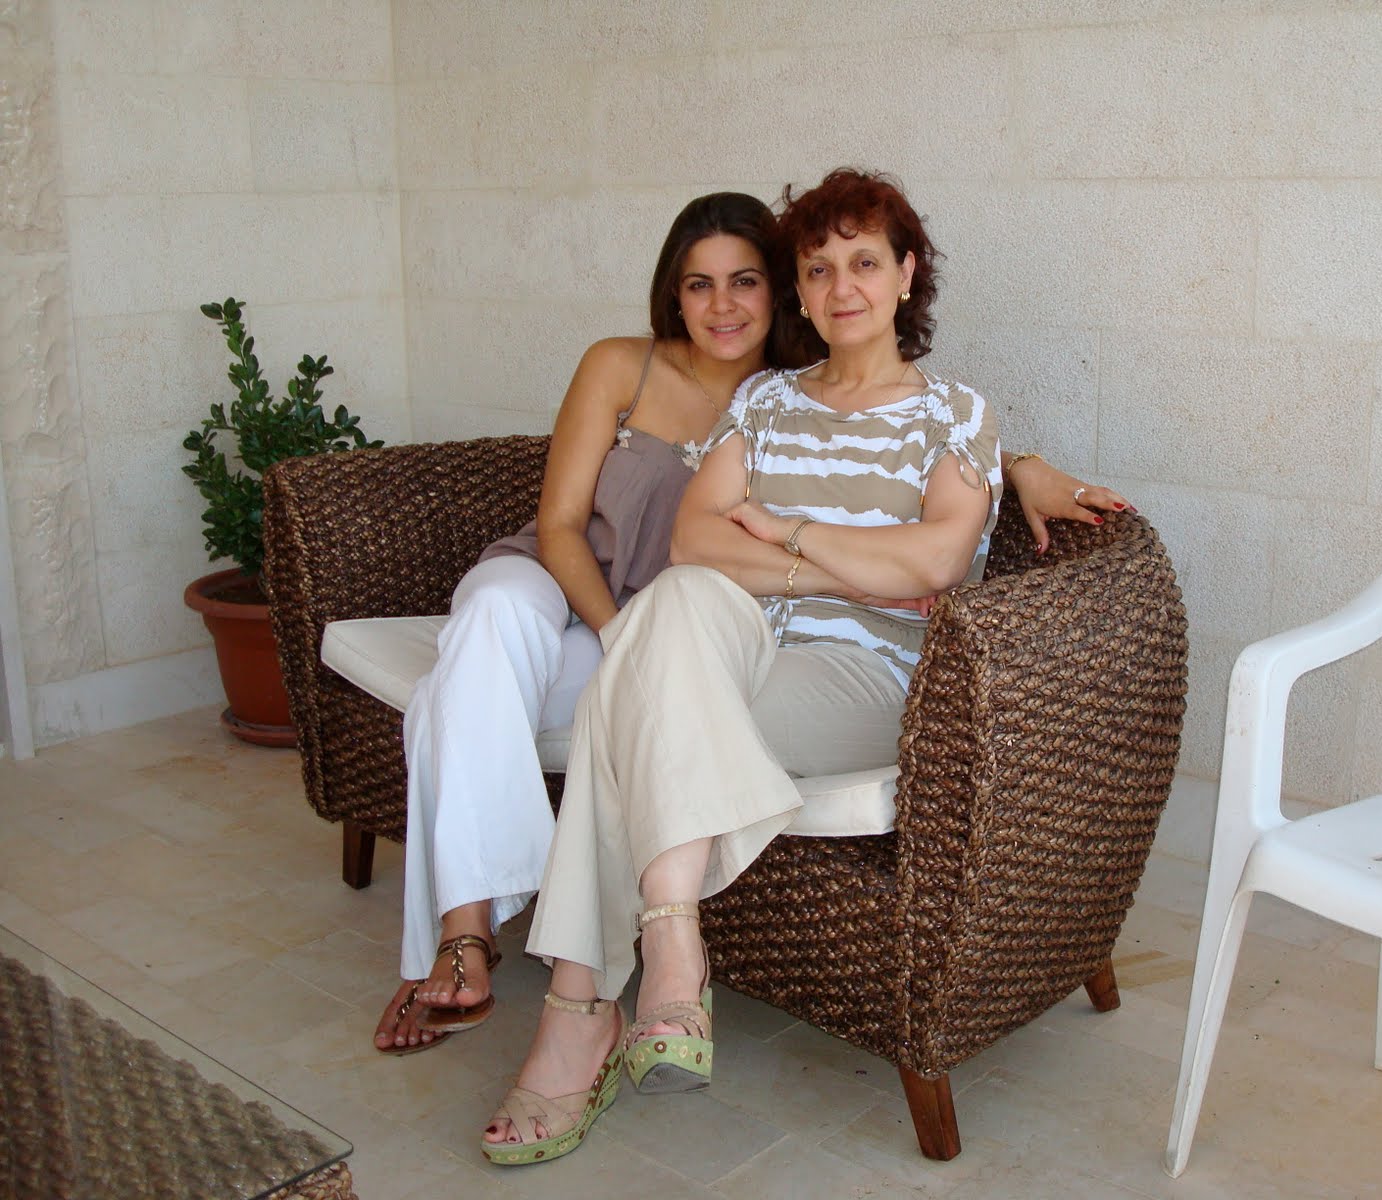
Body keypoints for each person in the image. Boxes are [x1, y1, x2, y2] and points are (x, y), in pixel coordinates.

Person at [372, 191, 1125, 1055]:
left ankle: (583, 1006)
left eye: (745, 282)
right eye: (701, 284)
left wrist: (1015, 468)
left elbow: (931, 509)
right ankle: (478, 935)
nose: (723, 304)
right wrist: (838, 571)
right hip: (610, 602)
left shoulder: (837, 392)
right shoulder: (702, 385)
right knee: (501, 637)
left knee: (603, 711)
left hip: (723, 640)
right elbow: (632, 534)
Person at [480, 167, 1049, 1164]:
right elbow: (696, 542)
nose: (842, 287)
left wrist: (784, 529)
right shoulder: (768, 400)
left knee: (626, 704)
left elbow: (935, 560)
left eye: (864, 262)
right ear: (801, 290)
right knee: (674, 604)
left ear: (907, 273)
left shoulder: (954, 413)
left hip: (868, 674)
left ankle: (582, 1010)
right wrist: (847, 564)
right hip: (735, 640)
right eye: (818, 268)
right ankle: (671, 941)